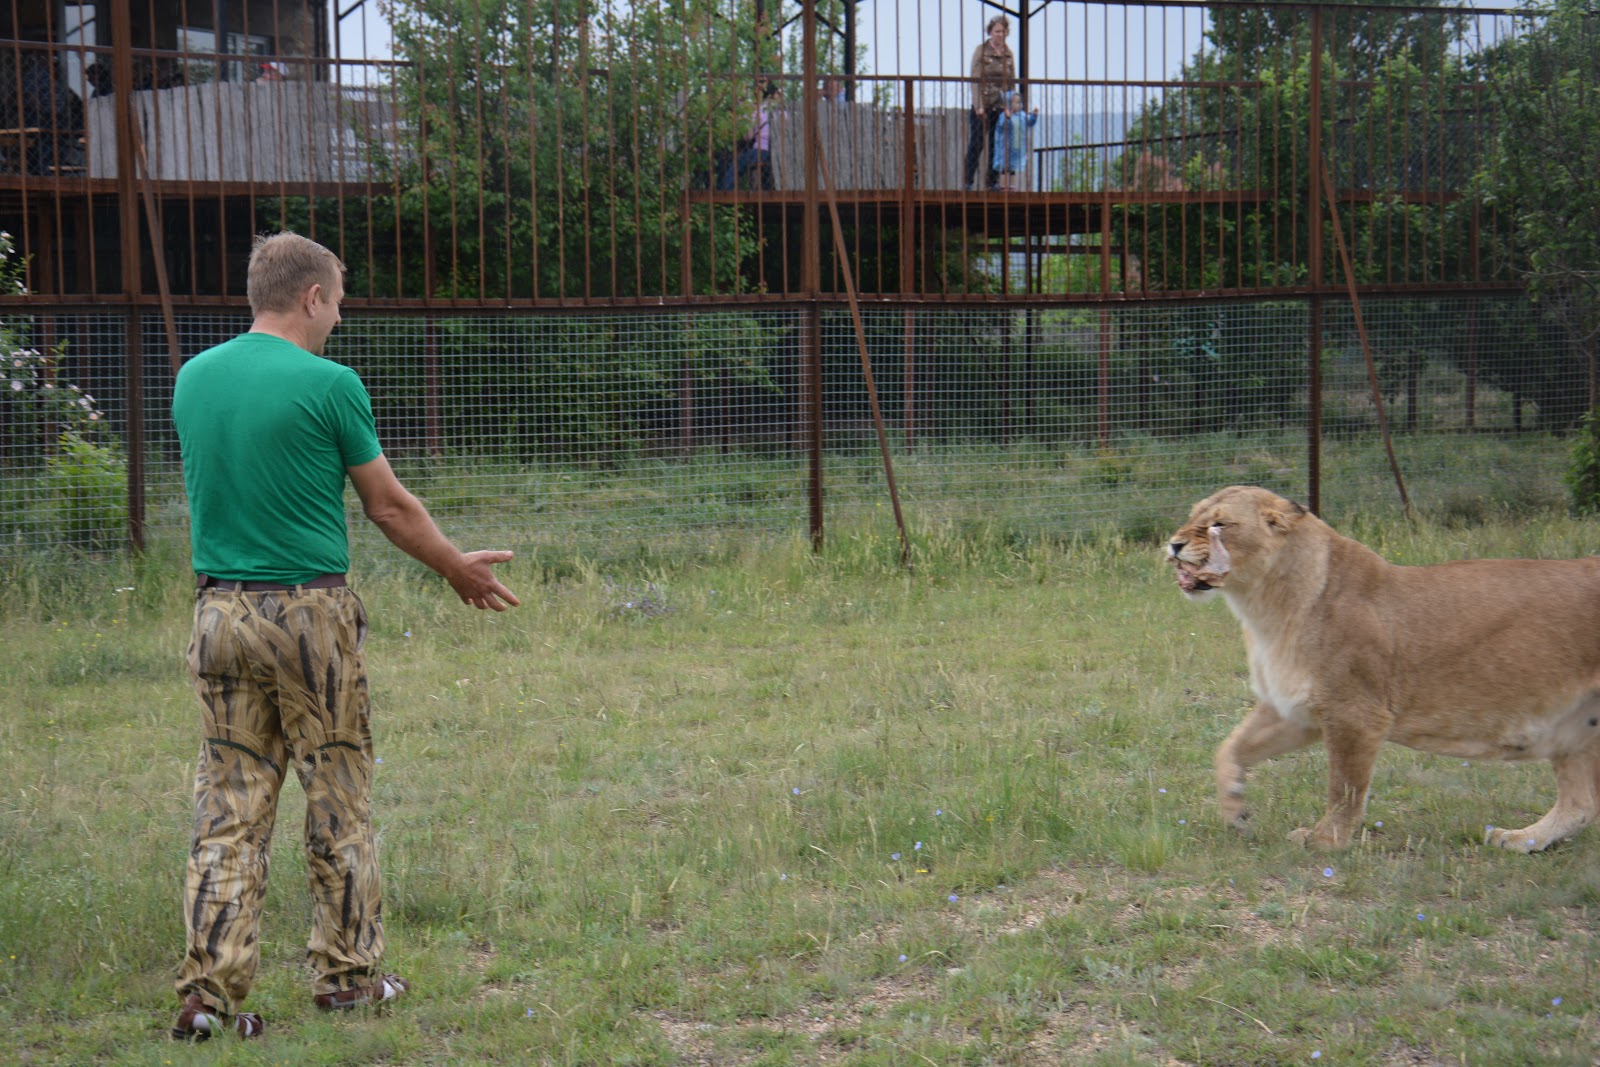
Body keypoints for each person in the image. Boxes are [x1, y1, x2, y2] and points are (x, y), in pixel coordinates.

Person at [168, 232, 519, 1041]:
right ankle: (350, 978)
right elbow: (387, 506)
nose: (338, 321)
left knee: (228, 807)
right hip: (308, 618)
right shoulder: (331, 384)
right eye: (338, 303)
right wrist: (456, 569)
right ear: (312, 297)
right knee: (338, 797)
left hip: (218, 612)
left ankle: (206, 998)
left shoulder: (192, 378)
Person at [964, 14, 1015, 192]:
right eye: (997, 31)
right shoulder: (982, 51)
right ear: (990, 32)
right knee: (976, 143)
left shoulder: (1009, 54)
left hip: (1000, 106)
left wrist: (1011, 106)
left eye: (1003, 31)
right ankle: (968, 180)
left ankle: (992, 182)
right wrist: (978, 104)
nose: (1000, 35)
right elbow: (975, 78)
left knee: (996, 146)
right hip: (983, 105)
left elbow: (1012, 82)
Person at [719, 80, 779, 191]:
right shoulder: (782, 111)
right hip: (779, 153)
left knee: (736, 166)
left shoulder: (758, 111)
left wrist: (743, 118)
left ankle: (725, 192)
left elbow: (748, 136)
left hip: (762, 149)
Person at [991, 90, 1038, 191]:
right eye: (1015, 102)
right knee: (1004, 168)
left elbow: (1029, 122)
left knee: (1012, 169)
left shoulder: (1022, 115)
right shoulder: (1004, 115)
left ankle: (1012, 186)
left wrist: (1034, 116)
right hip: (1005, 146)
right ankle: (1003, 186)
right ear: (1009, 104)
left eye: (1019, 102)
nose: (1018, 104)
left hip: (1017, 146)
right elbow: (1001, 127)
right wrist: (1008, 118)